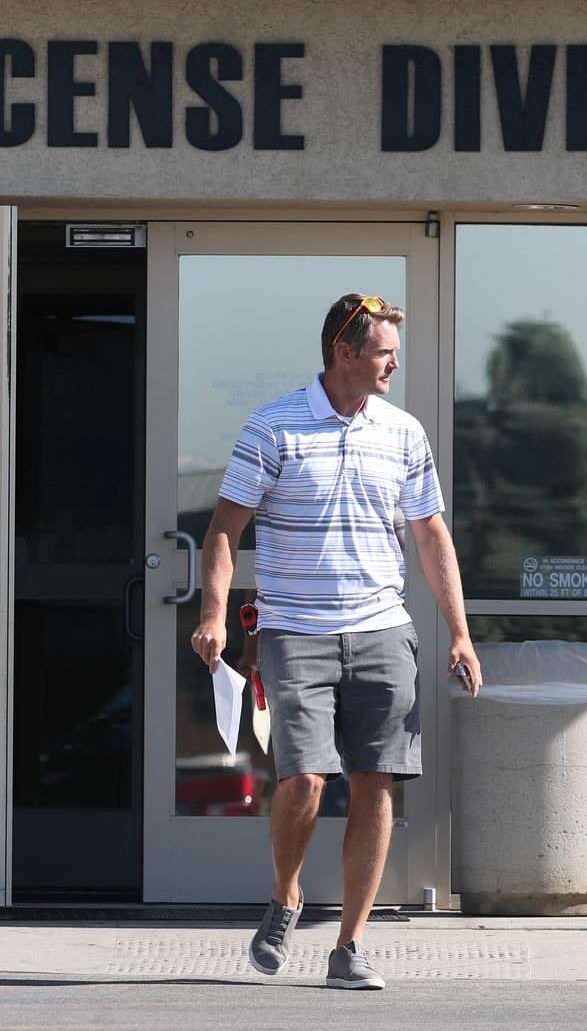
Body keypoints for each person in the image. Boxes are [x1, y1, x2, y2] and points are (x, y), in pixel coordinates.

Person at [191, 292, 482, 990]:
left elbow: (431, 534)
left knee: (376, 784)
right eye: (383, 352)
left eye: (394, 352)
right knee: (304, 779)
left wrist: (460, 632)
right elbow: (225, 528)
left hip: (384, 631)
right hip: (295, 631)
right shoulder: (274, 427)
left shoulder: (404, 433)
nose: (394, 364)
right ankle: (286, 893)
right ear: (344, 353)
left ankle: (350, 946)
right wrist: (214, 614)